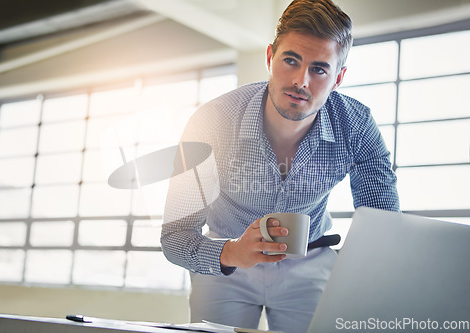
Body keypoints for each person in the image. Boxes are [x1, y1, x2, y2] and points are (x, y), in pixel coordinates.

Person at [161, 0, 400, 332]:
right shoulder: (211, 122)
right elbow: (174, 237)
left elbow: (384, 226)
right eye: (291, 61)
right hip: (226, 261)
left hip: (311, 264)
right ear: (270, 57)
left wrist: (355, 273)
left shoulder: (356, 126)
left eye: (319, 69)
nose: (300, 81)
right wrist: (231, 254)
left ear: (338, 77)